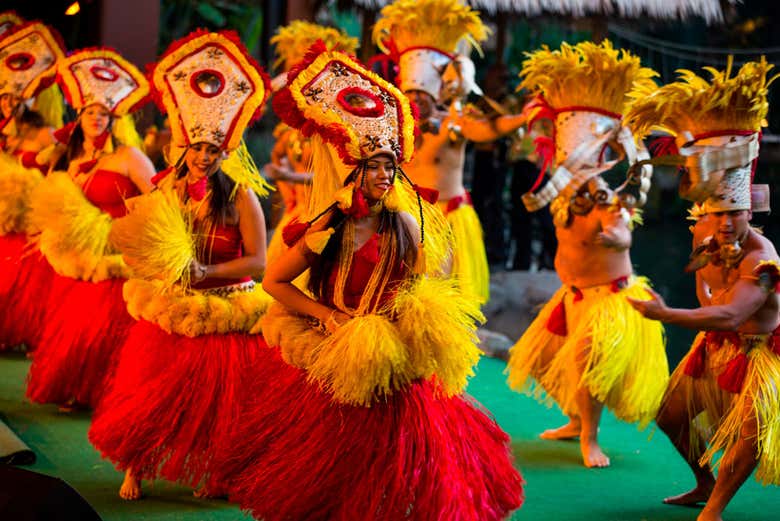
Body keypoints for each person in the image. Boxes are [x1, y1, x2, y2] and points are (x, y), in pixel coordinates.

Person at [219, 45, 523, 520]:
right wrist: (329, 316)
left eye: (389, 166)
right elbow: (275, 282)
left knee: (404, 466)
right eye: (374, 166)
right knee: (330, 472)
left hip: (393, 355)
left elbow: (429, 280)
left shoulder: (408, 223)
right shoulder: (326, 226)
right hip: (334, 352)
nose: (384, 176)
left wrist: (413, 316)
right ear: (353, 170)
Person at [87, 30, 272, 501]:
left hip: (226, 308)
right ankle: (135, 465)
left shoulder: (242, 196)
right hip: (177, 308)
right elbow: (145, 244)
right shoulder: (166, 190)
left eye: (213, 151)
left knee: (222, 404)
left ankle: (217, 472)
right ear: (183, 149)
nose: (204, 158)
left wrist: (208, 274)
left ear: (225, 153)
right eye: (197, 149)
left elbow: (259, 260)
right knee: (150, 393)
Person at [626, 57, 779, 521]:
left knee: (745, 441)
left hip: (759, 357)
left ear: (751, 212)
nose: (727, 224)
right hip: (714, 349)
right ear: (704, 215)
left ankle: (712, 510)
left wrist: (667, 316)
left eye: (736, 214)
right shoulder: (704, 236)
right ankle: (703, 481)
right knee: (670, 418)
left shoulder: (764, 260)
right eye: (718, 215)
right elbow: (705, 290)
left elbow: (732, 316)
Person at [505, 40, 669, 468]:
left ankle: (591, 439)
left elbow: (622, 231)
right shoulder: (565, 197)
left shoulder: (605, 199)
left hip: (607, 300)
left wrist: (619, 238)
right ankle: (575, 421)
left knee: (588, 365)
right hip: (571, 296)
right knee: (541, 360)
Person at [372, 0, 528, 303]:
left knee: (444, 300)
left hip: (447, 217)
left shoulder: (456, 121)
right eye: (411, 94)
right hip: (404, 216)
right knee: (400, 294)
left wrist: (522, 118)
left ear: (438, 91)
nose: (416, 100)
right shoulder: (394, 125)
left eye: (422, 94)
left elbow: (488, 129)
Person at [25, 47, 155, 409]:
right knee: (77, 331)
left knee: (104, 332)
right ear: (79, 117)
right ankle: (82, 390)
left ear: (113, 120)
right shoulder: (71, 158)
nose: (96, 119)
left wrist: (127, 224)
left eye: (103, 113)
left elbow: (158, 200)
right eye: (90, 112)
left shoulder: (129, 157)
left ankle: (105, 394)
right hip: (81, 262)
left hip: (118, 261)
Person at [264, 20, 357, 263]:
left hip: (327, 219)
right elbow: (278, 156)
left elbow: (335, 177)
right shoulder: (291, 131)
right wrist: (289, 194)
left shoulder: (334, 130)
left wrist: (289, 178)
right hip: (296, 214)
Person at [0, 20, 65, 351]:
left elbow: (56, 178)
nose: (9, 104)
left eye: (15, 99)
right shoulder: (3, 135)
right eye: (4, 99)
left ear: (28, 101)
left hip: (32, 224)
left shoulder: (46, 134)